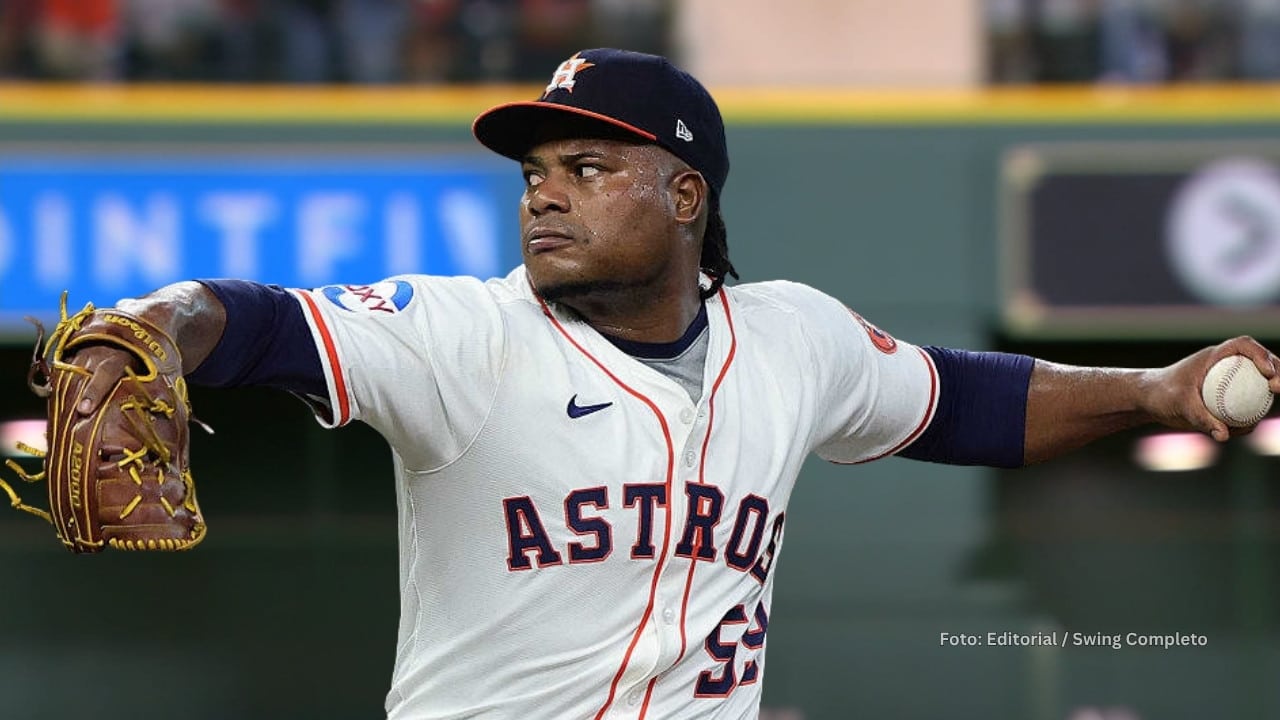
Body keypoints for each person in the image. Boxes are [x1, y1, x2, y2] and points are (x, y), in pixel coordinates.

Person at [68, 48, 1279, 719]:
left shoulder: (791, 339)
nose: (543, 190)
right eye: (536, 170)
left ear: (683, 195)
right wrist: (152, 333)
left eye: (587, 165)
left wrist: (1155, 390)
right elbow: (256, 322)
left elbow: (965, 401)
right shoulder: (461, 336)